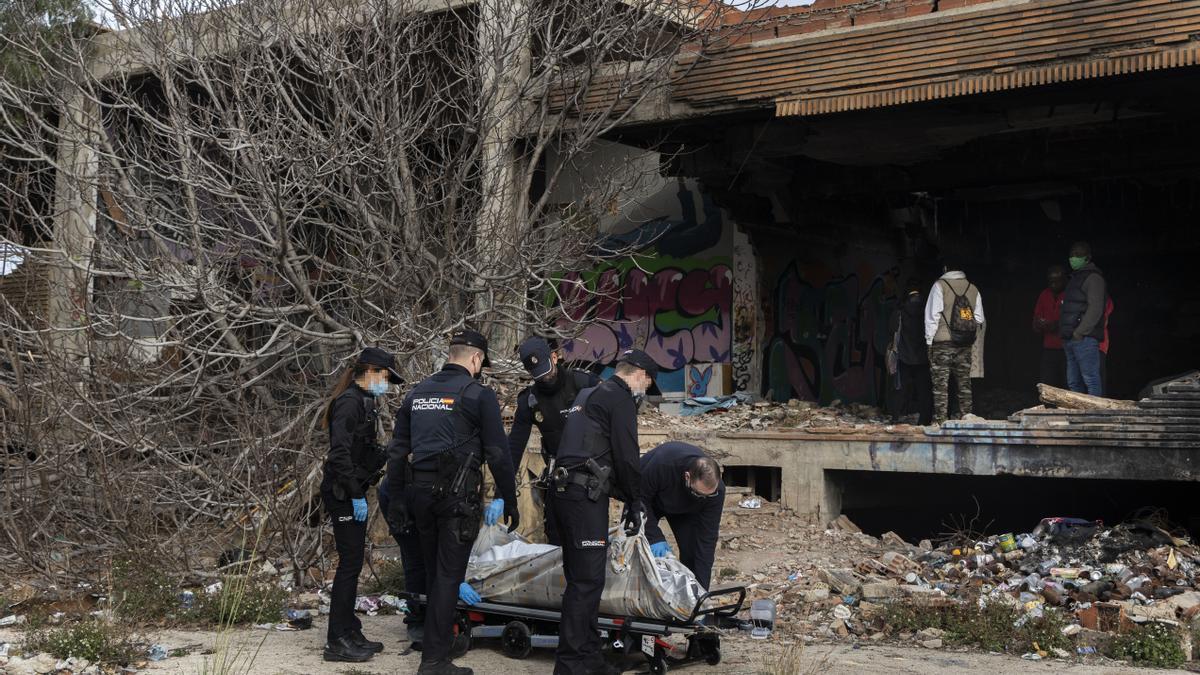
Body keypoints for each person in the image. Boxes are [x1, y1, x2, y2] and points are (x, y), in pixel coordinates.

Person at [384, 330, 519, 675]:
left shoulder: (416, 393)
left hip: (418, 495)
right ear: (476, 359)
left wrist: (398, 498)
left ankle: (433, 654)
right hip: (455, 500)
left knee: (434, 575)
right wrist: (508, 497)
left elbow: (398, 451)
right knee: (447, 577)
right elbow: (498, 455)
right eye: (481, 365)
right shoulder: (477, 394)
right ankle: (434, 662)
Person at [551, 349, 657, 675]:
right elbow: (627, 455)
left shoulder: (588, 393)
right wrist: (636, 500)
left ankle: (590, 659)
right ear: (638, 373)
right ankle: (569, 666)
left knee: (582, 580)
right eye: (649, 382)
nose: (647, 389)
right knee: (586, 582)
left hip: (563, 493)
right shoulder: (620, 397)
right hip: (584, 498)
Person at [320, 347, 403, 663]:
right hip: (343, 494)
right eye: (384, 377)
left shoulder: (365, 402)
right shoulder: (349, 403)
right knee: (350, 563)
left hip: (351, 490)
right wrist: (355, 494)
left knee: (353, 563)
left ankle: (350, 628)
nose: (386, 384)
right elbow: (338, 454)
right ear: (370, 372)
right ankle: (336, 640)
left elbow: (359, 450)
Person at [508, 336, 600, 545]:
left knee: (588, 538)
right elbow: (514, 447)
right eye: (537, 373)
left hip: (591, 472)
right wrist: (502, 493)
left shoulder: (584, 384)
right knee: (556, 534)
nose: (545, 377)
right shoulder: (530, 400)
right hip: (557, 473)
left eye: (546, 368)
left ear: (555, 357)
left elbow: (614, 422)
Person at [638, 442, 723, 590]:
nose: (704, 498)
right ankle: (635, 595)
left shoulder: (715, 492)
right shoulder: (662, 464)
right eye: (699, 493)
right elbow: (637, 501)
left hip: (686, 508)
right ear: (687, 476)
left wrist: (702, 592)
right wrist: (654, 536)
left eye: (708, 495)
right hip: (649, 499)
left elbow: (707, 539)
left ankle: (690, 597)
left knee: (693, 551)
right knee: (637, 544)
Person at [924, 261, 985, 424]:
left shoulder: (939, 286)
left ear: (945, 268)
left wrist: (929, 342)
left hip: (942, 344)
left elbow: (932, 317)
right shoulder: (973, 288)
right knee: (964, 384)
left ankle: (940, 422)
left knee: (940, 386)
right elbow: (979, 319)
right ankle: (967, 419)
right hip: (964, 344)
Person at [1060, 241, 1107, 396]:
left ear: (1088, 258)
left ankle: (1094, 417)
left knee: (1090, 380)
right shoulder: (1075, 278)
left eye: (1078, 255)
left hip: (1084, 338)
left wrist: (1080, 332)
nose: (1074, 258)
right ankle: (1078, 417)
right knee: (1074, 382)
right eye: (1072, 254)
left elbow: (1095, 309)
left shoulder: (1094, 278)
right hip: (1071, 339)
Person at [890, 283, 934, 426]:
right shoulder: (928, 309)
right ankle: (925, 419)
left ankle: (897, 416)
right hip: (923, 357)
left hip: (903, 356)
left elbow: (891, 329)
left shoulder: (900, 311)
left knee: (900, 388)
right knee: (924, 390)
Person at [1032, 265, 1068, 389]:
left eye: (1057, 281)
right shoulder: (1044, 294)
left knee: (1069, 385)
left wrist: (1057, 325)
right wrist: (1041, 324)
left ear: (1064, 280)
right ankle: (1048, 409)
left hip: (1067, 348)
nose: (1053, 284)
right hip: (1049, 348)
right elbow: (1036, 319)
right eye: (1051, 281)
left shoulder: (1070, 294)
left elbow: (1076, 320)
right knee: (1047, 385)